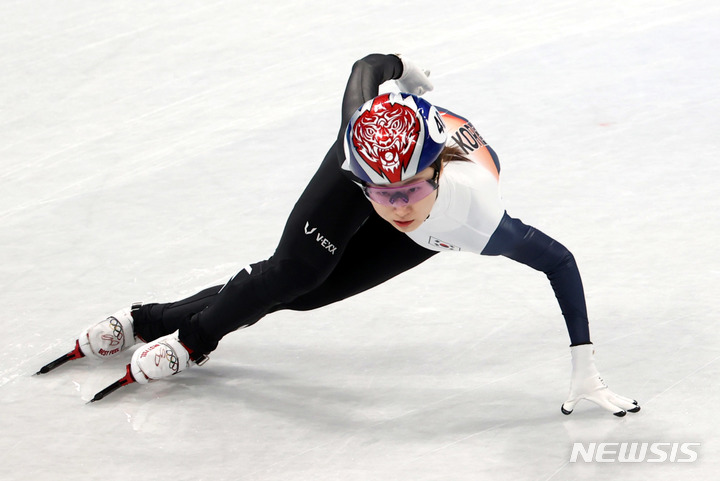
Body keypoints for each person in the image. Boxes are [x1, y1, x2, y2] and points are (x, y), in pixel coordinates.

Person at [55, 53, 639, 416]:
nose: (396, 208)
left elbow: (559, 261)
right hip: (375, 158)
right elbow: (368, 66)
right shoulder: (361, 136)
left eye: (409, 191)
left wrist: (583, 362)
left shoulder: (476, 218)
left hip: (442, 210)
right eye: (381, 195)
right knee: (291, 271)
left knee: (304, 296)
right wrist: (404, 66)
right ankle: (172, 332)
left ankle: (165, 323)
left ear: (435, 172)